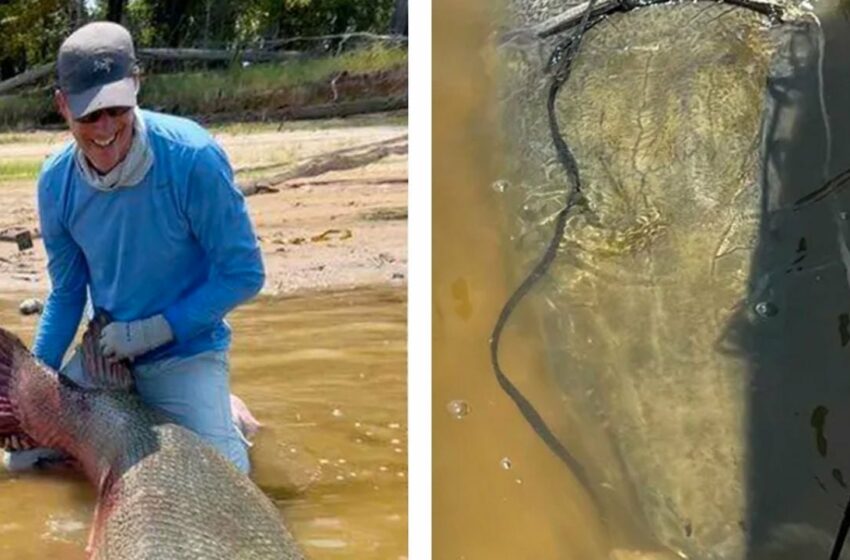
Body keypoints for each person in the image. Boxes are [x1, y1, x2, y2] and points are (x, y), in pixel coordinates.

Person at [5, 21, 265, 474]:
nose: (105, 129)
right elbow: (68, 294)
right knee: (24, 463)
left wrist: (159, 329)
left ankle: (224, 412)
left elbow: (243, 273)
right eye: (88, 114)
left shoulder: (193, 158)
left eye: (117, 109)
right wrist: (35, 384)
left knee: (227, 476)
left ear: (137, 87)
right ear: (62, 106)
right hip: (106, 355)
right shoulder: (55, 182)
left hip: (185, 350)